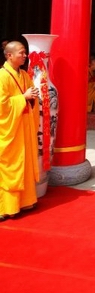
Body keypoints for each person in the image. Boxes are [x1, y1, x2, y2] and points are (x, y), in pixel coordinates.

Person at [0, 41, 40, 221]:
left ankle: (25, 201)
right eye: (21, 53)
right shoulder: (2, 76)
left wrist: (32, 97)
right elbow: (2, 105)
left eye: (25, 53)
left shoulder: (24, 74)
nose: (25, 56)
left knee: (25, 162)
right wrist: (23, 98)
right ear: (9, 55)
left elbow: (31, 97)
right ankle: (6, 207)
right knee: (10, 166)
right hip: (9, 129)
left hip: (24, 126)